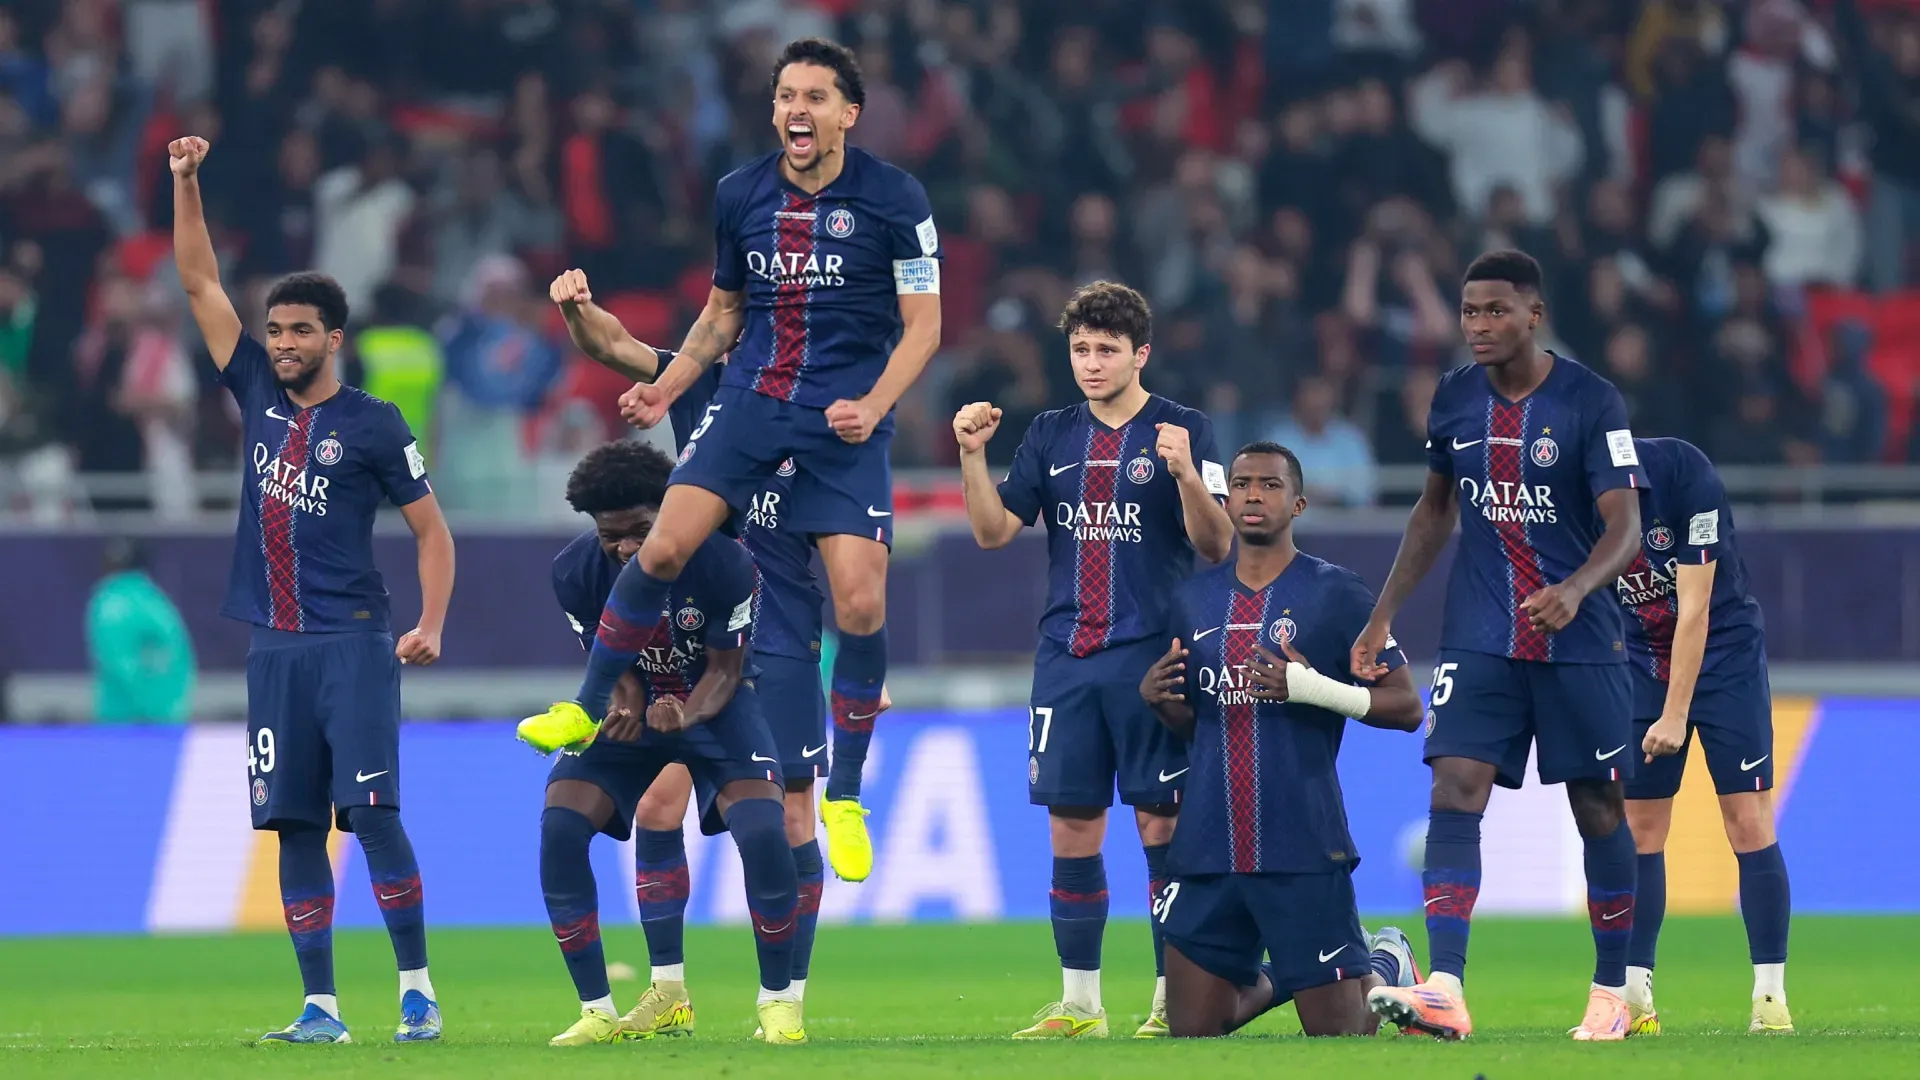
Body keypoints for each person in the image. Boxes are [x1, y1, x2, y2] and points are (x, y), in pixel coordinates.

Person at [553, 38, 943, 885]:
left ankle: (849, 790)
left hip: (843, 419)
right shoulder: (740, 195)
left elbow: (925, 327)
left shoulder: (895, 198)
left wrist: (875, 405)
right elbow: (721, 314)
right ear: (773, 111)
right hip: (751, 406)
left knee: (863, 600)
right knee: (659, 549)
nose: (797, 110)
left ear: (849, 113)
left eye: (815, 96)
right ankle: (583, 708)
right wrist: (671, 387)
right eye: (785, 97)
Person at [548, 267, 892, 1037]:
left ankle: (786, 1001)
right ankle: (669, 991)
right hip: (693, 622)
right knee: (661, 800)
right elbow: (612, 344)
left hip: (783, 633)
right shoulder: (709, 386)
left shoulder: (835, 411)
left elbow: (855, 557)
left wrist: (866, 675)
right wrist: (577, 309)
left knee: (791, 817)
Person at [168, 135, 454, 1044]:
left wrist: (431, 622)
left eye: (300, 332)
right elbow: (200, 286)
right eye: (276, 330)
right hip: (274, 648)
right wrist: (186, 183)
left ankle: (417, 990)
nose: (283, 344)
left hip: (353, 644)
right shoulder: (251, 386)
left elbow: (432, 531)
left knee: (371, 815)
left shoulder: (373, 424)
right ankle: (321, 1007)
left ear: (335, 339)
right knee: (294, 826)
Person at [1352, 249, 1647, 1042]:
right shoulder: (1453, 398)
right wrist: (1382, 617)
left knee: (1597, 806)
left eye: (1495, 311)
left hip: (1579, 639)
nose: (1478, 326)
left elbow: (1626, 525)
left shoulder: (1591, 400)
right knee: (1453, 788)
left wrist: (1578, 588)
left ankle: (1613, 990)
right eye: (1469, 311)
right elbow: (1432, 512)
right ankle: (1445, 984)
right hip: (1480, 634)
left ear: (1533, 314)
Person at [952, 280, 1234, 1038]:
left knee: (1160, 829)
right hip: (1067, 656)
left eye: (1107, 350)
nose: (1091, 362)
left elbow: (1217, 545)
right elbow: (991, 532)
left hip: (1153, 659)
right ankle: (1081, 1004)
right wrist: (972, 457)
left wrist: (1181, 474)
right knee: (1071, 831)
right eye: (1080, 348)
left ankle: (1174, 996)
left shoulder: (1185, 429)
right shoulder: (1049, 433)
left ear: (1140, 354)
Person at [523, 441, 807, 1046]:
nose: (627, 548)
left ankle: (779, 1004)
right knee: (560, 827)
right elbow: (609, 662)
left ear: (670, 511)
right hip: (636, 715)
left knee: (762, 830)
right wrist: (627, 703)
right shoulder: (572, 573)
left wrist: (686, 711)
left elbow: (727, 671)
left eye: (640, 531)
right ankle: (598, 1010)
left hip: (715, 707)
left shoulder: (725, 563)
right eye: (611, 537)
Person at [1139, 441, 1423, 1038]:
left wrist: (1313, 688)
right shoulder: (1192, 602)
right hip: (1211, 846)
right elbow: (1201, 728)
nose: (1252, 495)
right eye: (1241, 484)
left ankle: (1383, 962)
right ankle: (1307, 970)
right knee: (1193, 1030)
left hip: (1302, 843)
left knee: (1340, 1038)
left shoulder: (1337, 594)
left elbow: (1407, 707)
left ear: (1297, 503)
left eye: (1269, 485)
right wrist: (1163, 705)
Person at [1614, 437, 1792, 1035]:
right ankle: (1635, 999)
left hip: (1725, 658)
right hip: (1641, 660)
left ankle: (1770, 999)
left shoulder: (1688, 476)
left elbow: (1695, 611)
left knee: (1747, 819)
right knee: (1641, 828)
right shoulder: (1568, 493)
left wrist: (1675, 713)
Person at [85, 537, 195, 724]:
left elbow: (118, 663)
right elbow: (181, 656)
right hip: (166, 718)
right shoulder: (156, 601)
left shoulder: (106, 602)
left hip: (119, 718)